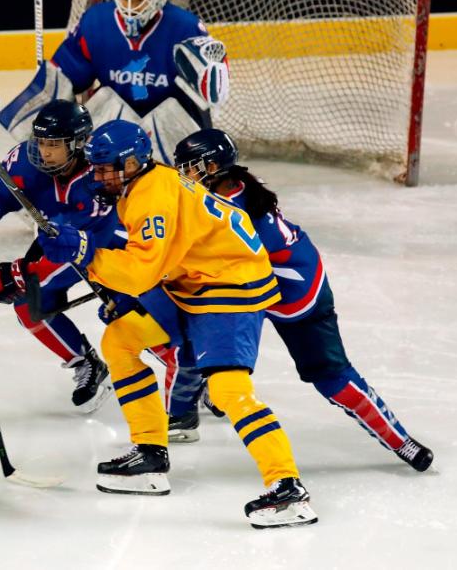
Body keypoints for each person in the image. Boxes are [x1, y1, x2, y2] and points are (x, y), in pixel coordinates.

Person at [38, 120, 317, 528]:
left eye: (105, 168)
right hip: (194, 282)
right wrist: (89, 255)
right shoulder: (142, 185)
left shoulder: (152, 196)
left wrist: (84, 253)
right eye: (94, 168)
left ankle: (289, 489)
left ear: (132, 163)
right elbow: (158, 264)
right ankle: (150, 456)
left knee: (229, 389)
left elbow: (138, 275)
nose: (97, 176)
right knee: (120, 340)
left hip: (230, 285)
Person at [166, 129, 434, 471]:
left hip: (295, 292)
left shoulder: (229, 211)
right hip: (246, 283)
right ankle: (187, 409)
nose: (184, 175)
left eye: (191, 168)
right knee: (188, 332)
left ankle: (400, 440)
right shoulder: (233, 185)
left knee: (330, 376)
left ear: (214, 167)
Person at [0, 100, 115, 412]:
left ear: (77, 144)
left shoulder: (99, 176)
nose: (44, 152)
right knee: (28, 304)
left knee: (133, 310)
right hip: (56, 241)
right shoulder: (27, 161)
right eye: (41, 142)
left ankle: (195, 373)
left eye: (54, 145)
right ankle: (85, 362)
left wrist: (22, 275)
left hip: (105, 247)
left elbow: (81, 249)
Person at [1, 0, 229, 165]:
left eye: (138, 0)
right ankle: (94, 179)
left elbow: (208, 96)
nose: (130, 7)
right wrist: (45, 112)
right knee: (103, 99)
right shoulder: (96, 22)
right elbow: (65, 76)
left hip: (167, 126)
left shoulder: (186, 28)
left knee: (173, 115)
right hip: (115, 123)